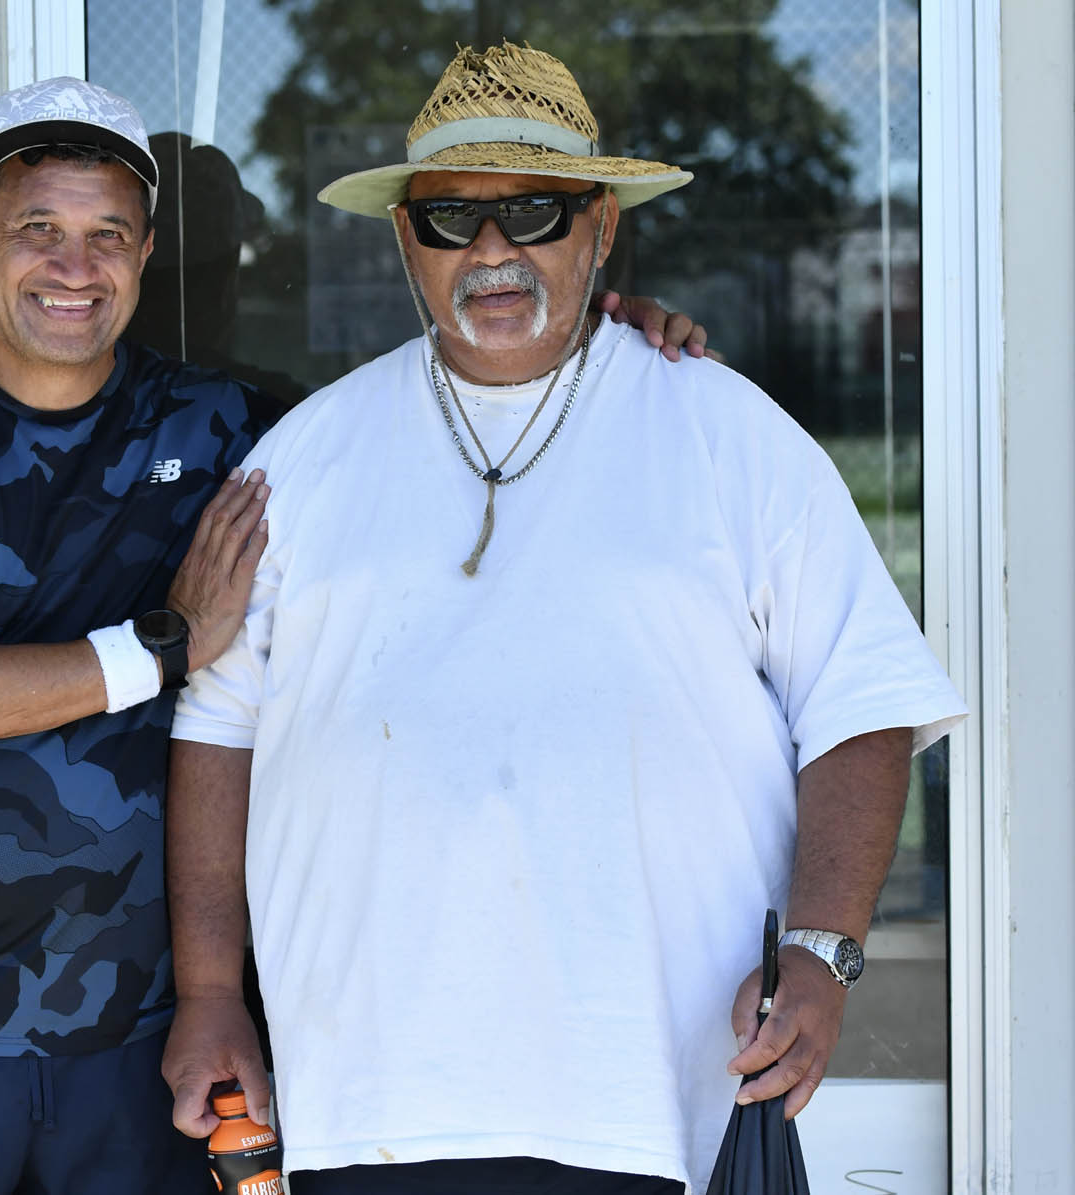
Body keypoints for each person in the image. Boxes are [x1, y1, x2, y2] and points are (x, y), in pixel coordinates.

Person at [0, 72, 707, 1194]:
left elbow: (448, 407)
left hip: (145, 1033)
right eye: (37, 230)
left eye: (107, 235)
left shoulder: (227, 427)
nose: (74, 267)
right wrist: (170, 642)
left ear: (146, 255)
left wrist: (604, 339)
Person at [161, 41, 967, 1195]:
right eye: (449, 219)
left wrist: (822, 949)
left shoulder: (726, 432)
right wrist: (207, 993)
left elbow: (860, 704)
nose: (491, 248)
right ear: (403, 240)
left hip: (659, 1097)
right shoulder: (300, 460)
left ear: (600, 226)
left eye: (534, 210)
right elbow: (217, 729)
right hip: (368, 1097)